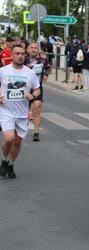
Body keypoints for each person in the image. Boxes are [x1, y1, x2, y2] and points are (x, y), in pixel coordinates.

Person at [0, 45, 40, 178]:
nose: (20, 55)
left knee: (17, 141)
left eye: (22, 53)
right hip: (6, 110)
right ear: (12, 55)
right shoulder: (3, 71)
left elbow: (37, 89)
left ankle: (10, 164)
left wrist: (32, 96)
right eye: (17, 53)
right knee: (9, 138)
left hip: (22, 113)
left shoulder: (30, 73)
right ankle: (4, 160)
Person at [24, 41, 51, 141]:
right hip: (24, 88)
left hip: (37, 87)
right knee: (24, 110)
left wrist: (46, 74)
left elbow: (48, 68)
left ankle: (36, 132)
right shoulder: (24, 59)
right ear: (28, 49)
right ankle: (21, 128)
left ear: (38, 49)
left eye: (35, 48)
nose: (33, 49)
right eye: (31, 47)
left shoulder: (43, 59)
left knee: (37, 108)